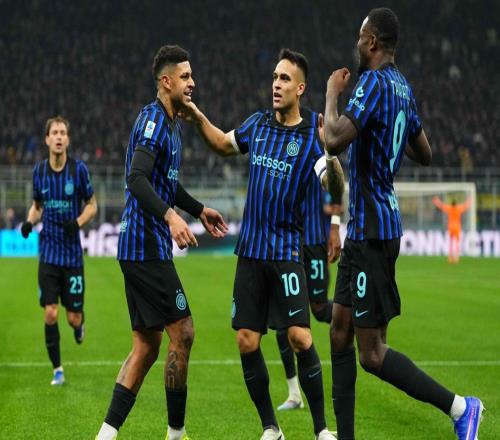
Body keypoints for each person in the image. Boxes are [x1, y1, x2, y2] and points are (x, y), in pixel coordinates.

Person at [323, 8, 483, 440]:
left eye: (360, 37)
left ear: (372, 42)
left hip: (372, 232)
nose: (357, 44)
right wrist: (387, 130)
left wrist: (331, 94)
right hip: (370, 228)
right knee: (339, 332)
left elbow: (333, 139)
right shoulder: (403, 88)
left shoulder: (373, 83)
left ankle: (461, 407)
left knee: (371, 354)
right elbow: (424, 153)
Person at [183, 48, 344, 440]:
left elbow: (335, 186)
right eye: (274, 77)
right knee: (246, 340)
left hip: (287, 253)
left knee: (300, 336)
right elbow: (222, 143)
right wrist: (197, 116)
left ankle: (322, 430)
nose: (276, 84)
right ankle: (271, 426)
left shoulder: (311, 137)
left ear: (300, 88)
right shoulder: (257, 125)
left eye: (284, 78)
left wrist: (330, 152)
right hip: (250, 254)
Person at [95, 45, 228, 440]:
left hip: (139, 248)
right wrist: (171, 217)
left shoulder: (172, 124)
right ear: (166, 81)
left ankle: (106, 434)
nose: (192, 83)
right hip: (145, 247)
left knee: (146, 347)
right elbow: (136, 179)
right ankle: (176, 433)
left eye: (192, 75)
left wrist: (197, 209)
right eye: (185, 76)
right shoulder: (154, 121)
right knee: (183, 332)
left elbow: (164, 182)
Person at [21, 115, 98, 385]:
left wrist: (76, 223)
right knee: (50, 311)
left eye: (63, 133)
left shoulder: (78, 171)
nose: (58, 137)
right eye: (54, 132)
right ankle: (57, 370)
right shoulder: (39, 172)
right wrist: (29, 222)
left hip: (73, 256)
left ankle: (79, 324)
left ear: (68, 139)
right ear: (47, 139)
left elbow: (92, 205)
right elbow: (37, 206)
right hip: (49, 255)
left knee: (72, 318)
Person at [276, 180, 341, 411]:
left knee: (320, 309)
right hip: (289, 246)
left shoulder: (319, 162)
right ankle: (294, 394)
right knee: (284, 319)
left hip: (315, 244)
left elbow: (336, 187)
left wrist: (334, 225)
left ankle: (360, 321)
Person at [432, 197, 471, 263]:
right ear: (456, 204)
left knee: (451, 243)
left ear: (451, 204)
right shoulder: (459, 208)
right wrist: (469, 200)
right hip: (457, 227)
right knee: (457, 243)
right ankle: (456, 258)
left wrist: (436, 201)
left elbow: (441, 206)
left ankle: (450, 258)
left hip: (451, 227)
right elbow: (466, 206)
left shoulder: (449, 208)